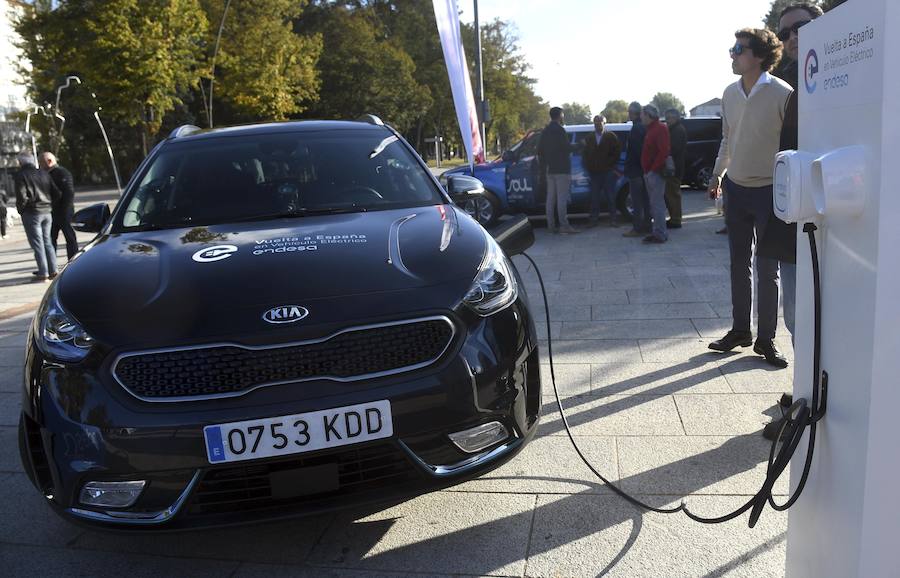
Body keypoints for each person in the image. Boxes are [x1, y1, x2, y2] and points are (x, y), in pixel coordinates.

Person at [707, 27, 792, 368]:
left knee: (767, 268)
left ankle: (766, 339)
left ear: (759, 56)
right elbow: (728, 139)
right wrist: (717, 176)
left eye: (738, 49)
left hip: (770, 190)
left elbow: (792, 144)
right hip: (736, 189)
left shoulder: (783, 94)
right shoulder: (728, 93)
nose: (732, 54)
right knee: (738, 264)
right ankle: (740, 330)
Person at [759, 2, 824, 439]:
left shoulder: (832, 82)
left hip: (817, 225)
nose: (792, 36)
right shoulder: (802, 86)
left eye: (801, 27)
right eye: (785, 32)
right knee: (797, 318)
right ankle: (805, 391)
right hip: (793, 221)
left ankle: (809, 404)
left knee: (807, 318)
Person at [14, 152, 60, 282]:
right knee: (47, 241)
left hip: (32, 212)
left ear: (21, 162)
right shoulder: (44, 173)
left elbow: (21, 196)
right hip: (46, 211)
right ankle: (53, 270)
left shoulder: (21, 175)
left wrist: (21, 210)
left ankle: (43, 272)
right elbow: (56, 192)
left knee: (37, 243)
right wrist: (50, 204)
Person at [538, 106, 579, 234]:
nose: (563, 117)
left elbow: (540, 150)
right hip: (562, 169)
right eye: (562, 115)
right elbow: (567, 148)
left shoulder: (545, 131)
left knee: (550, 199)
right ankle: (564, 226)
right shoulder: (560, 130)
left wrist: (545, 165)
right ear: (559, 115)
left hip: (550, 170)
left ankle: (551, 226)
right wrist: (581, 145)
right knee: (561, 199)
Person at [582, 115, 622, 227]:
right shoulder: (589, 137)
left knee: (610, 196)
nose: (597, 125)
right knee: (594, 198)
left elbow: (617, 152)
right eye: (595, 123)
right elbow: (584, 153)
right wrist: (588, 165)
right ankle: (593, 220)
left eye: (599, 123)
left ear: (604, 123)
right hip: (594, 172)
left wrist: (610, 164)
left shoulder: (611, 136)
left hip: (608, 172)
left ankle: (613, 219)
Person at [640, 105, 670, 244]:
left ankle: (660, 234)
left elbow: (663, 151)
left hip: (656, 173)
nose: (641, 117)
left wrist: (652, 169)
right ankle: (657, 231)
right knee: (654, 203)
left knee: (657, 204)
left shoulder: (660, 128)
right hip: (650, 172)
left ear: (649, 115)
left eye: (642, 115)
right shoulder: (651, 129)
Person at [40, 152, 78, 260]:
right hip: (51, 212)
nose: (40, 166)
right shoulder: (47, 174)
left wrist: (64, 210)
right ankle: (51, 265)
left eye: (41, 163)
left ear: (49, 161)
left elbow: (69, 193)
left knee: (70, 237)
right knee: (50, 239)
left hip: (64, 212)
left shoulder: (62, 173)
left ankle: (73, 261)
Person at [622, 102, 650, 238]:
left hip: (636, 170)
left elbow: (638, 151)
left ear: (634, 113)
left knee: (637, 201)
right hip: (643, 170)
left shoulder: (636, 129)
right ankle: (647, 225)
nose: (628, 114)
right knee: (645, 200)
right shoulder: (644, 127)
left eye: (629, 112)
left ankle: (637, 228)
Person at [663, 108, 687, 229]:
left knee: (673, 194)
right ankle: (674, 217)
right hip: (674, 166)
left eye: (669, 118)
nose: (666, 121)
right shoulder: (673, 129)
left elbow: (673, 148)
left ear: (676, 118)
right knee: (670, 193)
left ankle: (676, 219)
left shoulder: (678, 130)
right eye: (666, 118)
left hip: (674, 167)